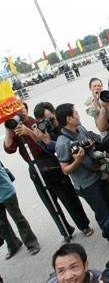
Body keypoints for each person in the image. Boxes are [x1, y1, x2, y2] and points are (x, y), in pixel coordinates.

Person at [5, 102, 93, 244]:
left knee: (69, 198)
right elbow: (9, 149)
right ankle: (65, 231)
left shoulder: (39, 123)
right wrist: (8, 128)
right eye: (16, 113)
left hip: (51, 165)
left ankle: (84, 225)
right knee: (50, 203)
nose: (19, 114)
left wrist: (30, 132)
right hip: (35, 169)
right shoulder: (15, 129)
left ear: (26, 110)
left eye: (21, 111)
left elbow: (50, 144)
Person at [54, 103, 109, 250]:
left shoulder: (80, 129)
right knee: (102, 212)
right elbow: (65, 170)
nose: (79, 115)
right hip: (87, 184)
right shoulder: (62, 143)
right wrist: (77, 159)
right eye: (76, 113)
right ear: (69, 118)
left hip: (99, 174)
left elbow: (94, 141)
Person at [0, 164, 40, 260]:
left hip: (6, 192)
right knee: (2, 224)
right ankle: (13, 245)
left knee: (18, 218)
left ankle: (31, 243)